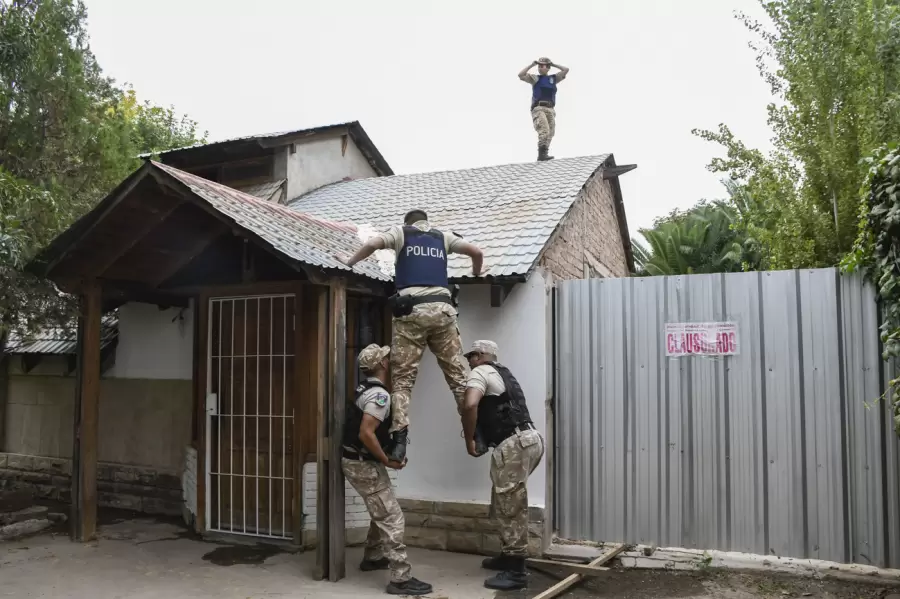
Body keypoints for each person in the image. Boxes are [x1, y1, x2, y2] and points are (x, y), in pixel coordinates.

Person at [335, 208, 484, 463]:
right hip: (443, 311)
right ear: (427, 221)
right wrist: (477, 272)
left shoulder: (400, 233)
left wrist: (348, 261)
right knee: (458, 379)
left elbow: (372, 243)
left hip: (411, 312)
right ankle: (477, 434)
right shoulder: (443, 237)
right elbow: (477, 252)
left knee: (403, 381)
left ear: (408, 222)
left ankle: (400, 442)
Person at [341, 343, 433, 596]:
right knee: (392, 517)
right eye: (386, 358)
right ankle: (400, 579)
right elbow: (366, 433)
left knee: (381, 508)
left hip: (359, 461)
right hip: (363, 463)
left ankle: (373, 556)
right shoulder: (379, 396)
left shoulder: (366, 389)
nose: (389, 360)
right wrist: (386, 460)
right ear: (381, 364)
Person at [460, 340, 545, 592]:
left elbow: (470, 404)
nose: (469, 362)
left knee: (510, 507)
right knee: (505, 501)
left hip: (514, 443)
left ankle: (516, 570)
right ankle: (508, 556)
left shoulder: (480, 371)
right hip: (530, 439)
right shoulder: (503, 373)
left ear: (479, 356)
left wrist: (469, 437)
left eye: (471, 357)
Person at [518, 57, 569, 162]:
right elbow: (521, 75)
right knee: (544, 130)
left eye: (543, 66)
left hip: (550, 109)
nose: (540, 67)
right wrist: (532, 64)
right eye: (539, 66)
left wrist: (553, 64)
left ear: (548, 68)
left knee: (551, 132)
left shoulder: (553, 79)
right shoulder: (535, 78)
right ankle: (541, 155)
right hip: (539, 108)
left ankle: (545, 152)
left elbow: (566, 70)